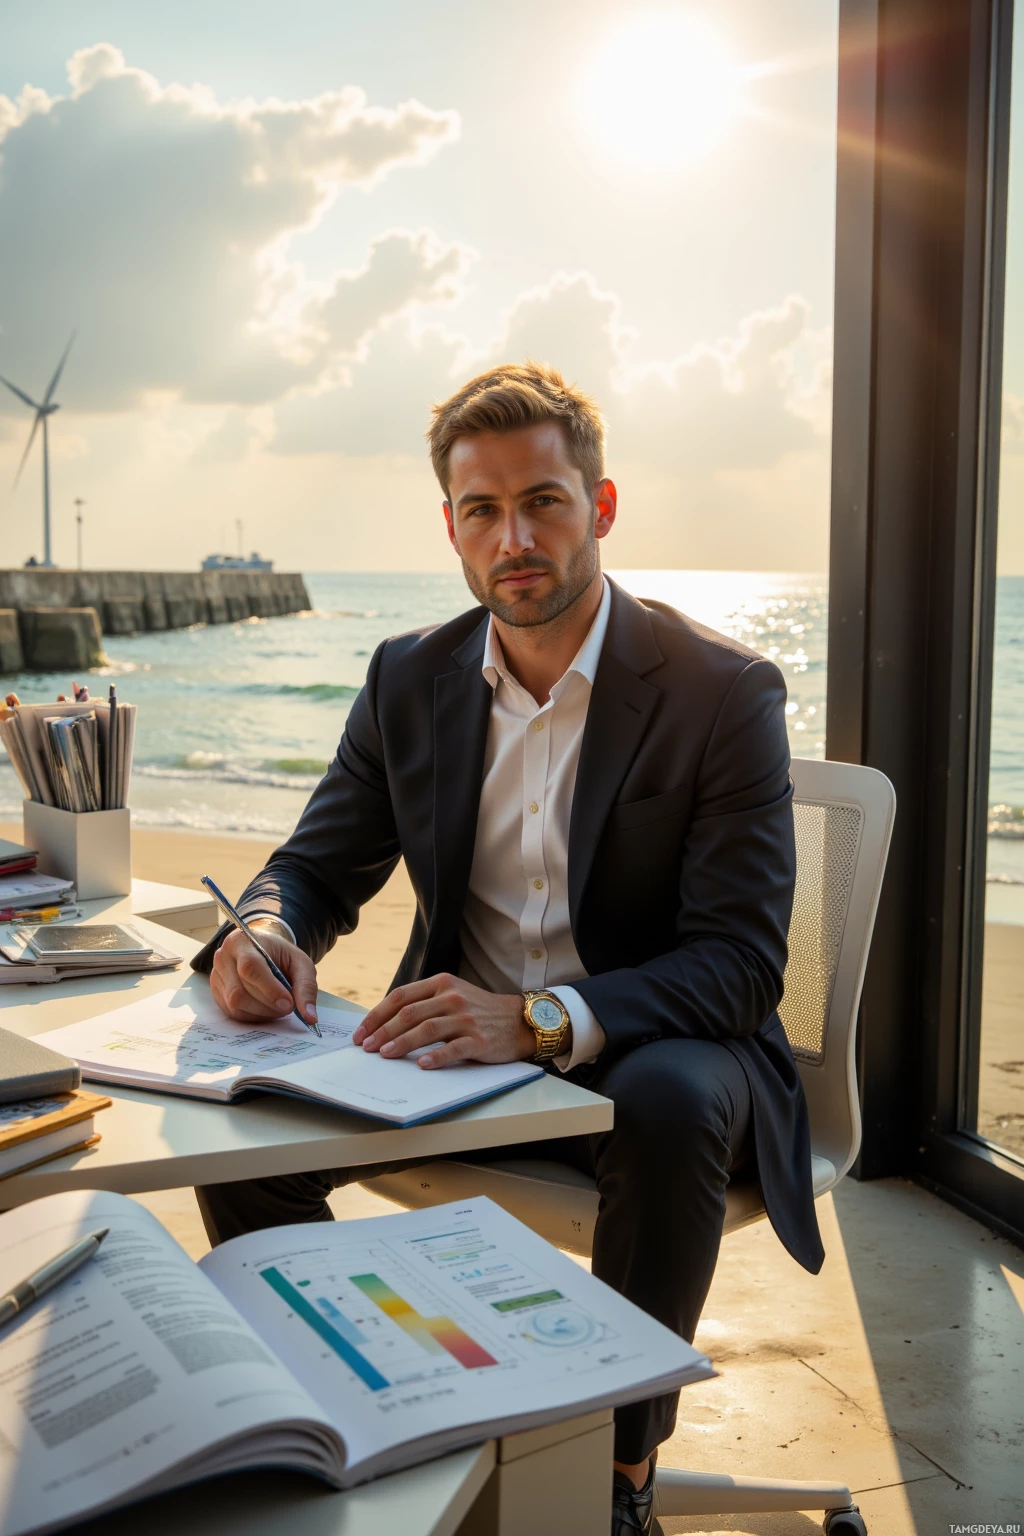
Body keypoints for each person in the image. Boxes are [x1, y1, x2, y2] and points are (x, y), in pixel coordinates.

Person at [192, 362, 823, 1536]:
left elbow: (739, 961)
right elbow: (318, 864)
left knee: (673, 1095)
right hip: (452, 1054)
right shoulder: (408, 676)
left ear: (604, 505)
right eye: (481, 510)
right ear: (449, 527)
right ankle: (371, 1411)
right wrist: (266, 927)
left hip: (657, 1040)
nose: (513, 537)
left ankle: (617, 1478)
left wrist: (536, 1019)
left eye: (544, 501)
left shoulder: (722, 691)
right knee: (241, 1121)